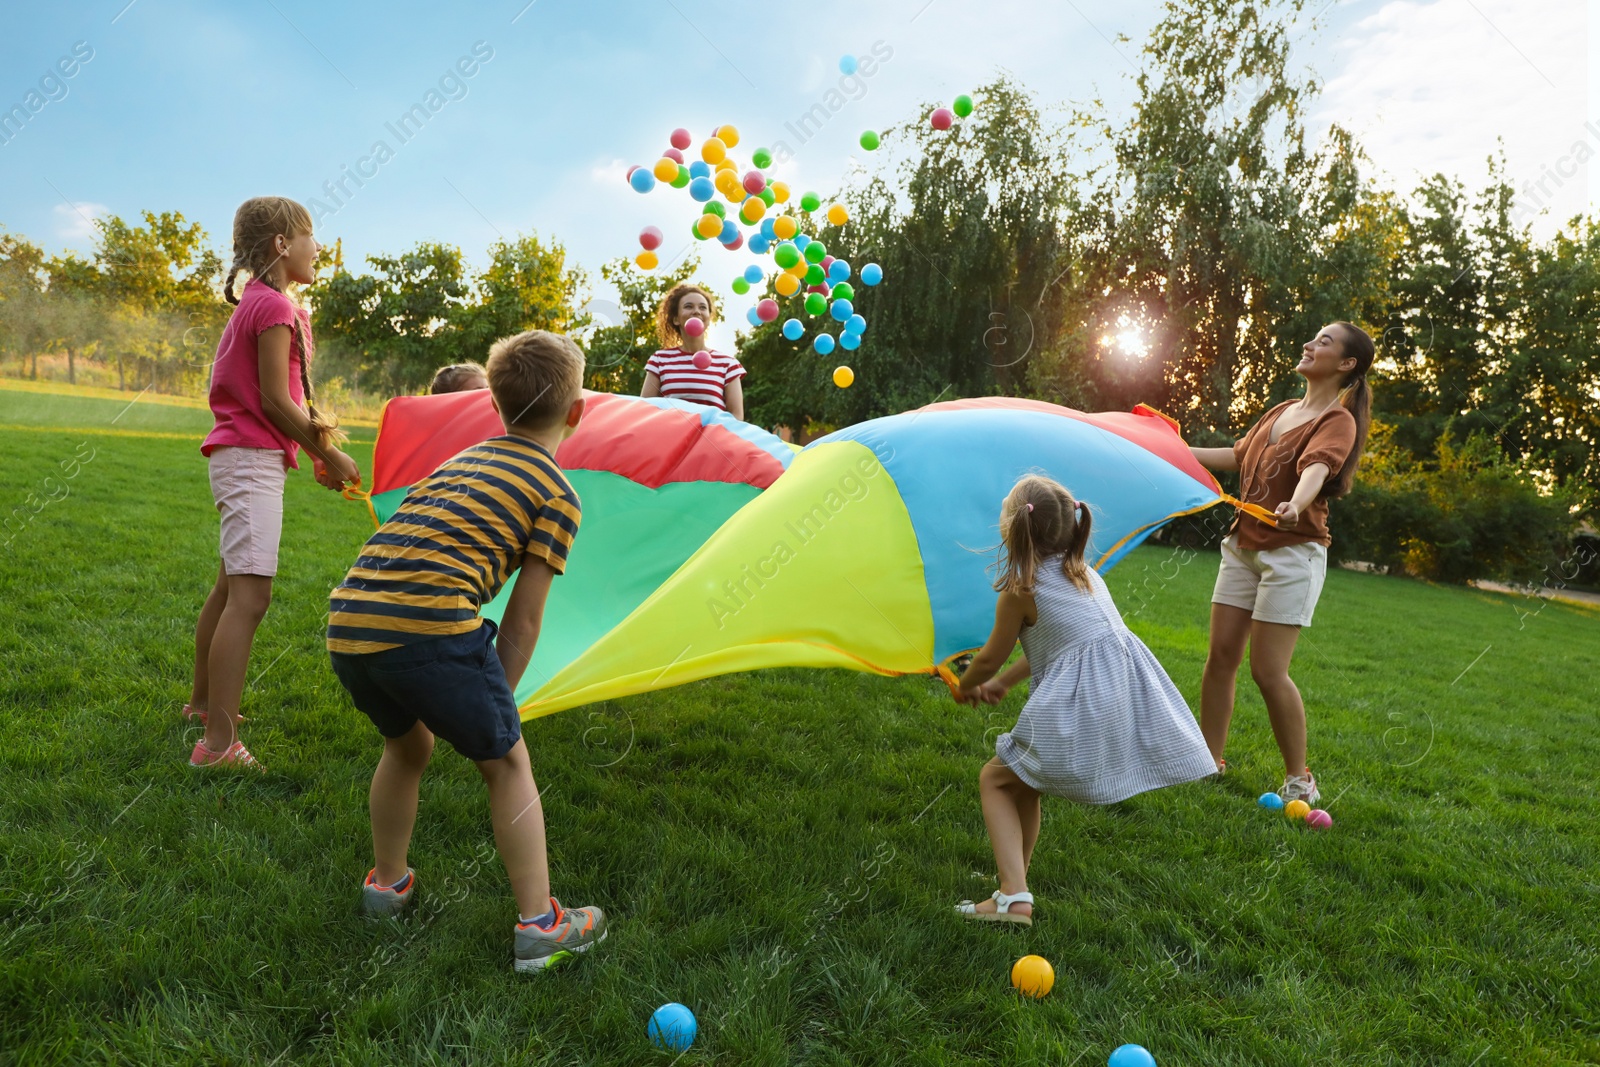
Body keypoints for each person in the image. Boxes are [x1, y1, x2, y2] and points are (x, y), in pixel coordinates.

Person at [326, 328, 608, 973]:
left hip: (350, 620)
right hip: (429, 629)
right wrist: (497, 708)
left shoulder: (460, 461)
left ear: (494, 407)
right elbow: (524, 618)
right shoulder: (556, 491)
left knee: (407, 746)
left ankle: (386, 887)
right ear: (577, 412)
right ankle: (541, 927)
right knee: (507, 764)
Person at [950, 475, 1217, 925]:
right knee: (1024, 786)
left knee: (995, 781)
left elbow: (990, 657)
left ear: (1015, 527)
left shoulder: (1023, 590)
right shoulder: (1085, 575)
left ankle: (1013, 897)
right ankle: (1015, 882)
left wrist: (968, 684)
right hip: (1115, 701)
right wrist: (1007, 684)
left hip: (1078, 709)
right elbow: (1066, 649)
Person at [185, 196, 359, 769]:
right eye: (310, 236)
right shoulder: (274, 308)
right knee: (251, 598)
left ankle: (204, 705)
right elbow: (272, 400)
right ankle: (217, 746)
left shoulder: (263, 303)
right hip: (249, 460)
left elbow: (276, 402)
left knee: (229, 589)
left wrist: (309, 450)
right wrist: (327, 454)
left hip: (243, 455)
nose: (318, 248)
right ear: (282, 245)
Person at [1188, 321, 1375, 804]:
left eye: (1325, 342)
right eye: (1313, 337)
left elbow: (1319, 466)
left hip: (1292, 555)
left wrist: (1296, 501)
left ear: (1346, 364)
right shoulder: (1282, 410)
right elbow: (1236, 454)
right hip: (1242, 547)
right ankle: (1208, 761)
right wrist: (1173, 452)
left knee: (1267, 672)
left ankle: (1300, 779)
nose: (1310, 344)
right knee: (1220, 660)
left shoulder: (1337, 421)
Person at [641, 283, 746, 419]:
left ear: (709, 318)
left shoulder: (728, 364)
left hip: (711, 438)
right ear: (676, 319)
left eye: (703, 307)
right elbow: (644, 409)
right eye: (688, 306)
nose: (697, 311)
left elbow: (737, 416)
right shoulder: (659, 360)